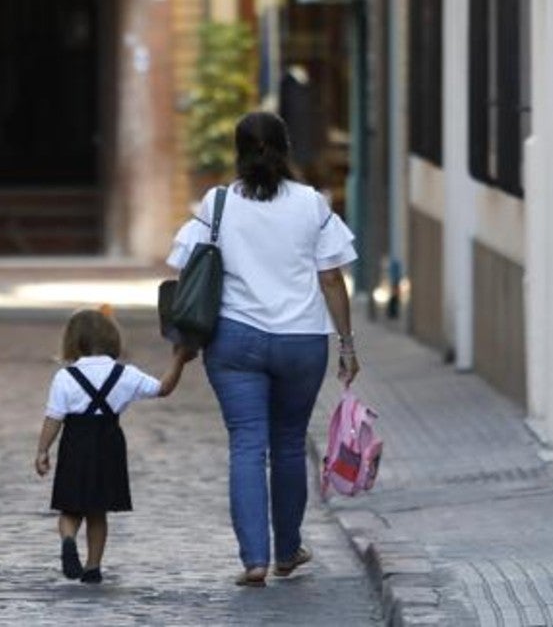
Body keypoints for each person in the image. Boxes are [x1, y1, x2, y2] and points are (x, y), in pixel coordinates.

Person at [167, 111, 359, 587]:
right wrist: (348, 344)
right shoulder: (312, 205)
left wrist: (185, 342)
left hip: (235, 340)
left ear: (237, 151)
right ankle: (288, 550)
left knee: (247, 445)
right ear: (286, 148)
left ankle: (255, 559)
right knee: (290, 444)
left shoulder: (216, 205)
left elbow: (184, 267)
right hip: (301, 342)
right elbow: (332, 277)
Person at [35, 307, 193, 584]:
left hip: (75, 443)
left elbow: (54, 417)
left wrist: (42, 450)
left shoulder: (65, 377)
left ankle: (68, 540)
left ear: (73, 341)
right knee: (98, 511)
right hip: (108, 444)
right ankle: (93, 567)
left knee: (70, 508)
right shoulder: (125, 374)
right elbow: (163, 388)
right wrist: (179, 359)